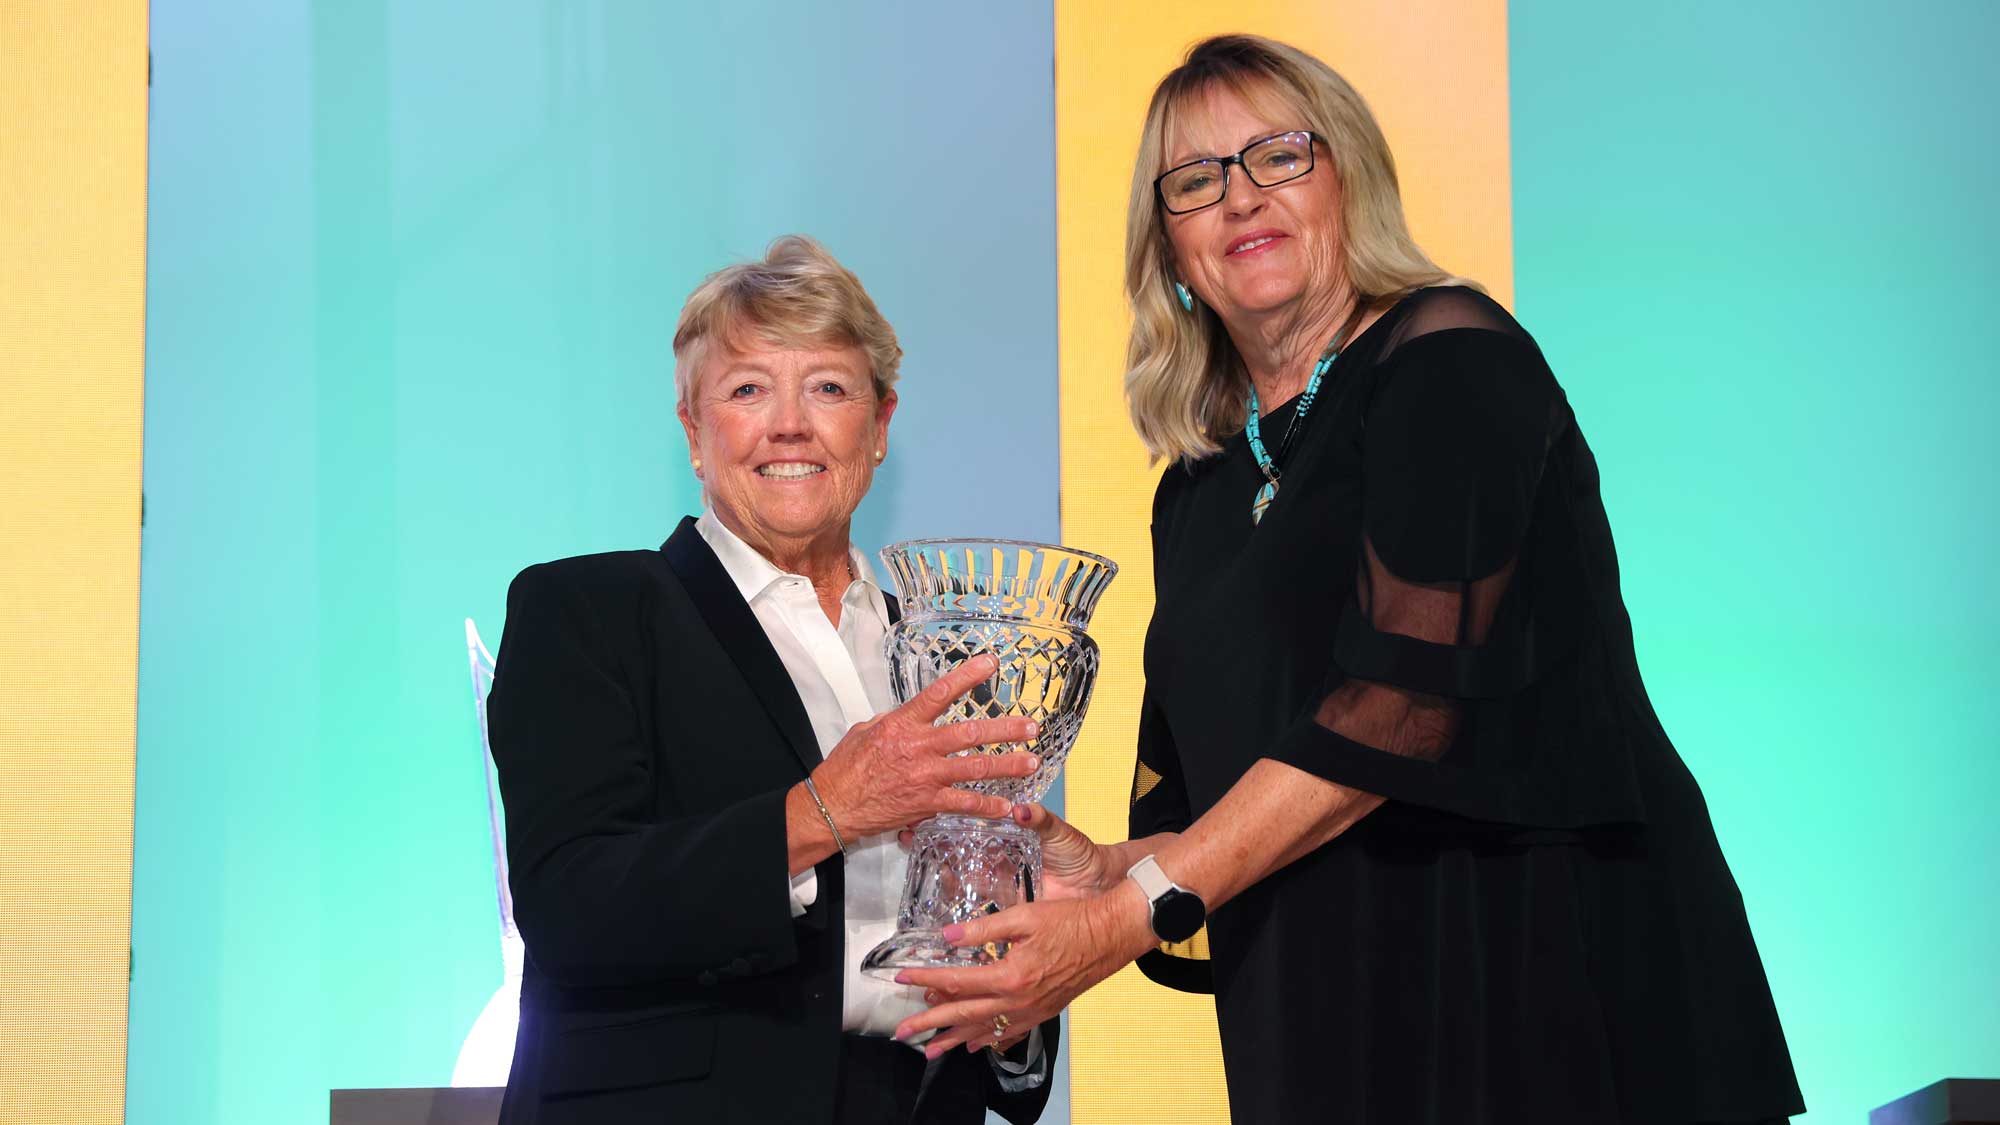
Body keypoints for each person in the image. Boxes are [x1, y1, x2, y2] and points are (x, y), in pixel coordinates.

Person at [894, 34, 1804, 1124]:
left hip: (1533, 965)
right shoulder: (1197, 483)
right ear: (1170, 250)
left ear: (1346, 178)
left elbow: (1398, 708)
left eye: (1277, 155)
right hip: (1320, 986)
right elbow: (1225, 796)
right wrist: (1104, 868)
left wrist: (1129, 914)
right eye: (1195, 181)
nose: (1239, 199)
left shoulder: (1450, 358)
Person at [487, 235, 1059, 1125]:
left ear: (879, 426)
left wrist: (1020, 993)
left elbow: (999, 932)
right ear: (693, 430)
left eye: (828, 387)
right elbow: (569, 906)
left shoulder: (953, 656)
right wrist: (825, 811)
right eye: (748, 388)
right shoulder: (588, 611)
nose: (790, 423)